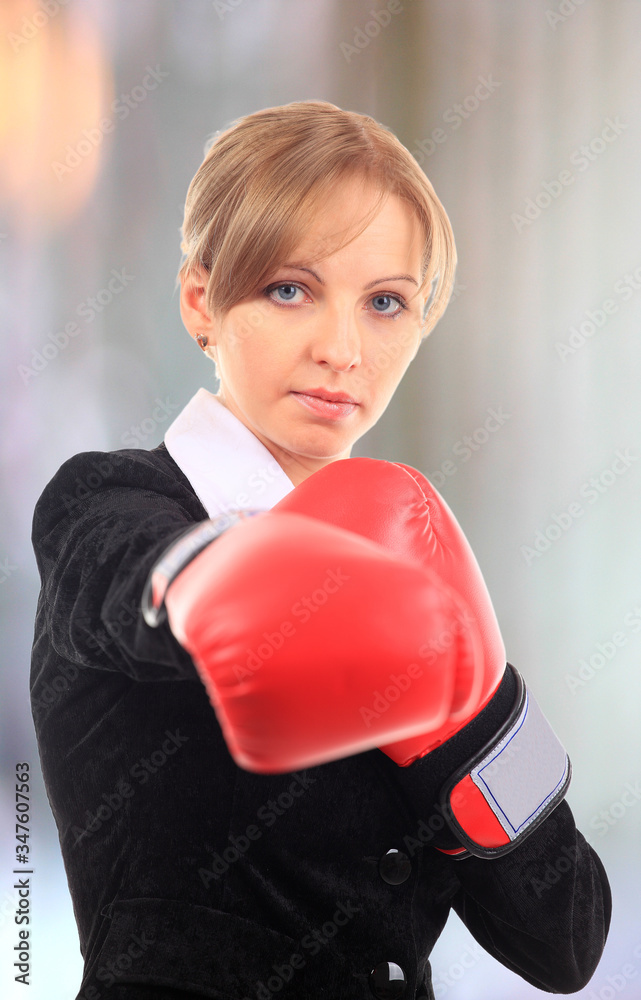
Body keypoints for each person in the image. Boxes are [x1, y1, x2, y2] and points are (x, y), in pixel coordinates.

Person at [30, 100, 611, 1000]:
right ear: (201, 300)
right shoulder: (106, 501)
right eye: (290, 289)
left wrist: (469, 708)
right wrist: (246, 588)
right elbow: (136, 584)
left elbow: (566, 937)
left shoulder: (413, 564)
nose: (342, 349)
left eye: (386, 303)